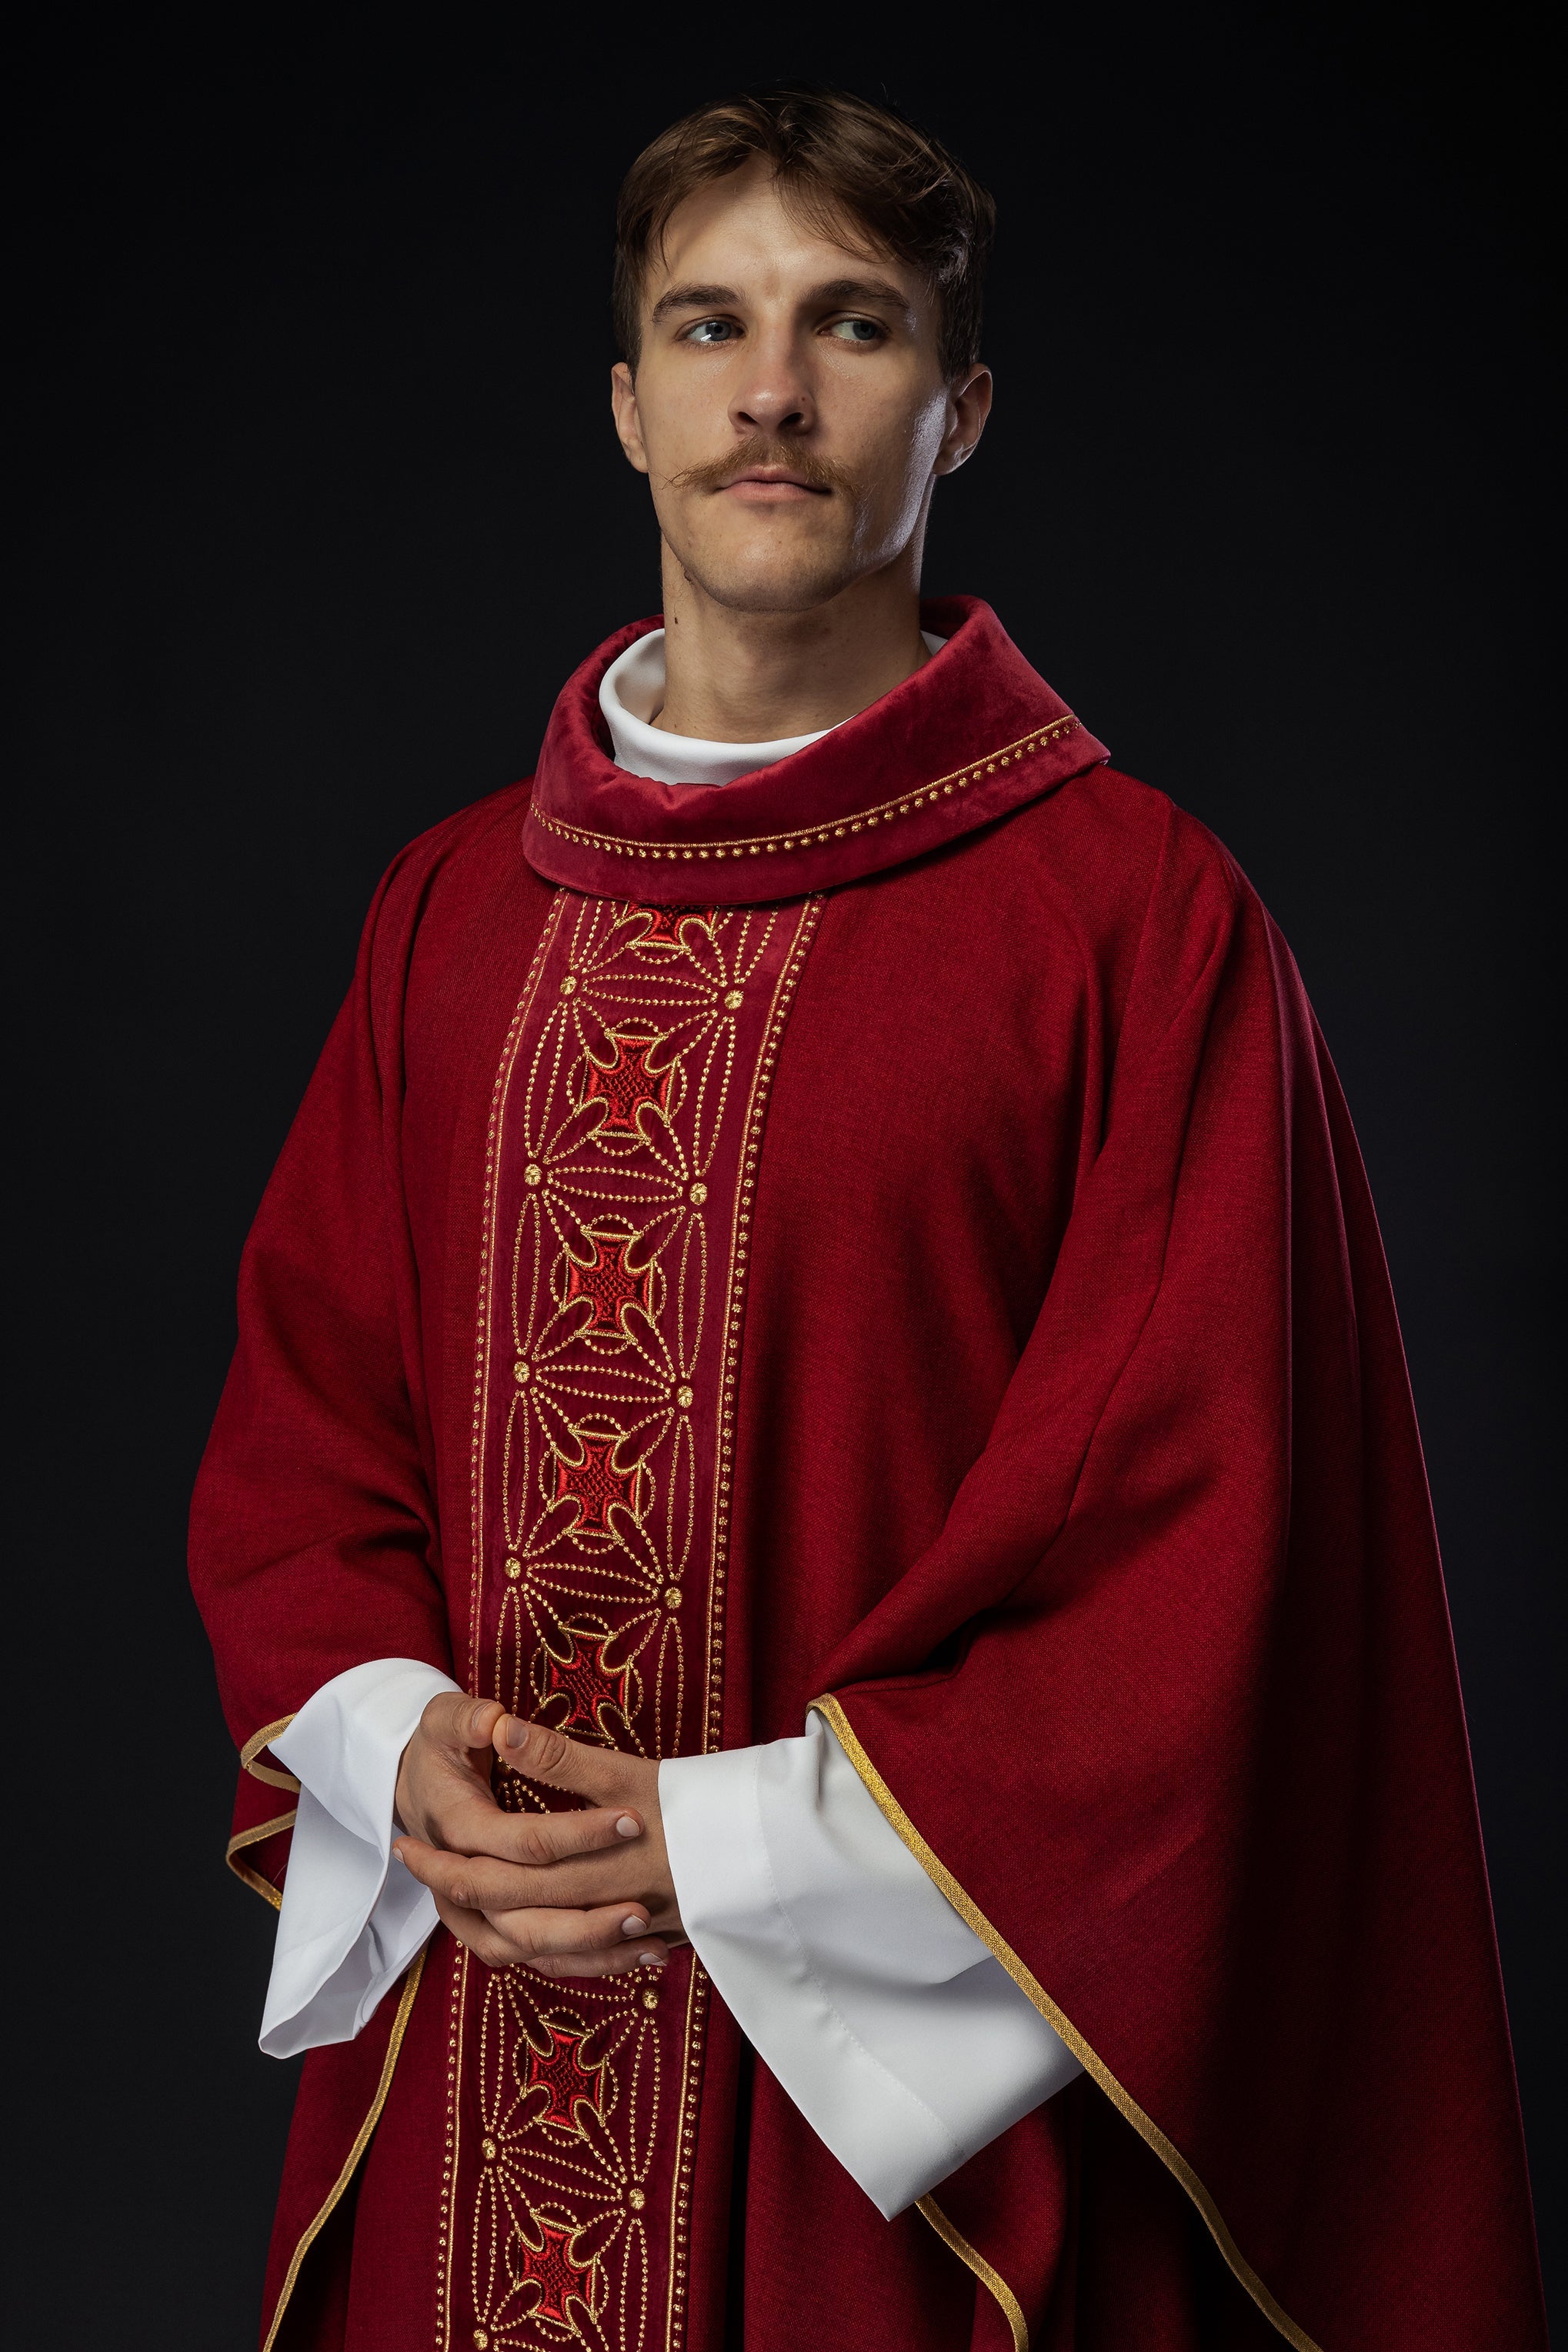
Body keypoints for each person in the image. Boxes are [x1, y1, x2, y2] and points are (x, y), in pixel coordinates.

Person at [191, 84, 1546, 2352]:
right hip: (479, 2078)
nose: (777, 389)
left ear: (963, 404)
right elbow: (309, 1430)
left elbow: (1206, 1571)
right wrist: (388, 1729)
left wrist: (729, 1850)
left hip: (895, 2166)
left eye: (857, 325)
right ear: (628, 406)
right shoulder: (449, 913)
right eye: (711, 325)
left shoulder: (1138, 928)